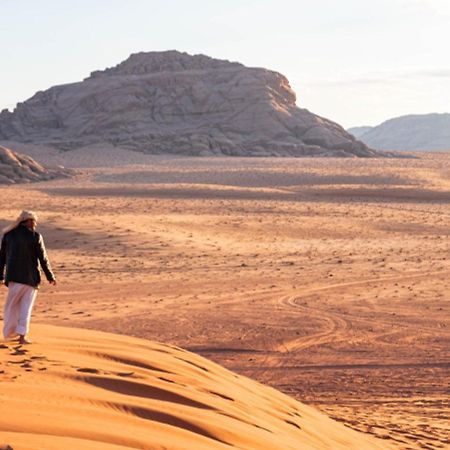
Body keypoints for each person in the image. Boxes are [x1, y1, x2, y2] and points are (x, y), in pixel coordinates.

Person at [0, 210, 56, 345]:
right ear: (28, 221)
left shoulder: (8, 235)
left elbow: (1, 258)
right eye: (34, 221)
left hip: (13, 278)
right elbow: (43, 258)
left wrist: (0, 276)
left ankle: (9, 333)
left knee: (11, 306)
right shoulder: (35, 236)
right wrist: (50, 276)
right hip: (31, 279)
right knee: (26, 307)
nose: (35, 224)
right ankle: (21, 337)